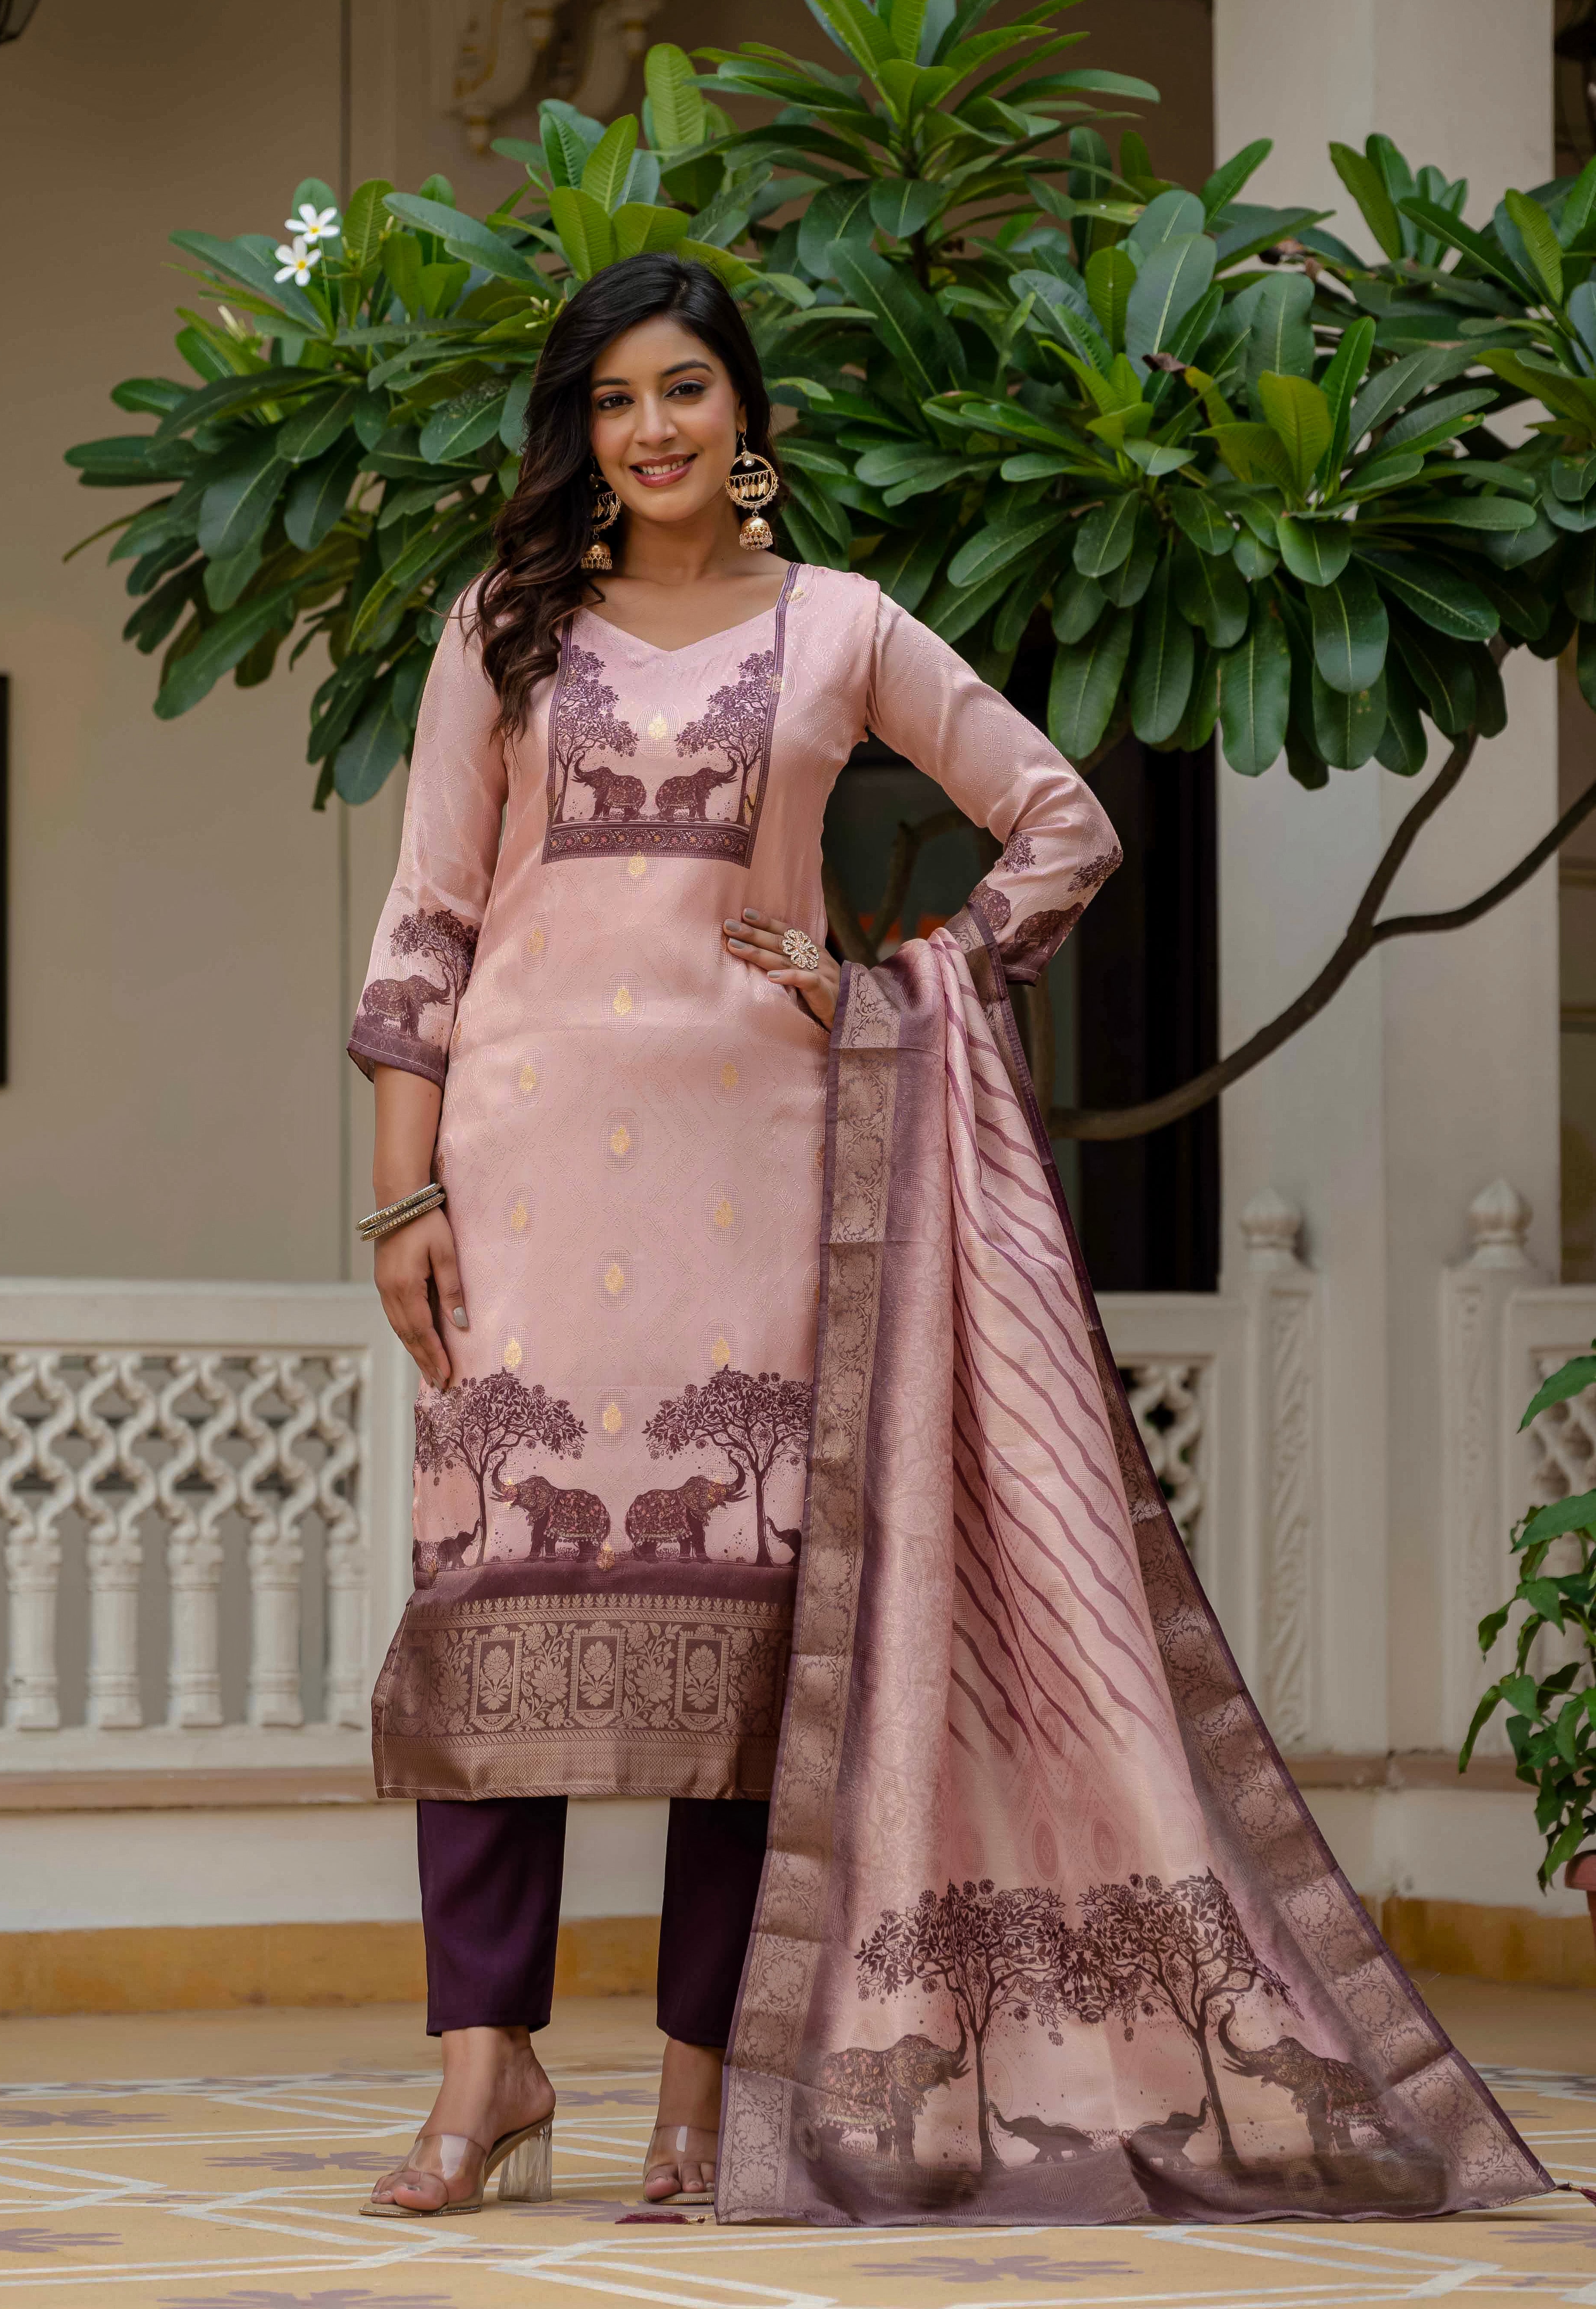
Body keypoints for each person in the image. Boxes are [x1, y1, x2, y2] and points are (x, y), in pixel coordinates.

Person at [349, 253, 1548, 2227]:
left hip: (759, 1177)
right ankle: (486, 2070)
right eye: (614, 401)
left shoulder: (842, 627)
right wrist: (403, 1193)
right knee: (496, 1628)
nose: (650, 430)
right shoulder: (502, 631)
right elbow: (425, 926)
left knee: (749, 1663)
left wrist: (893, 982)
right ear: (575, 431)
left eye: (685, 391)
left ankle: (698, 2088)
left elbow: (1059, 820)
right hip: (522, 1170)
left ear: (747, 417)